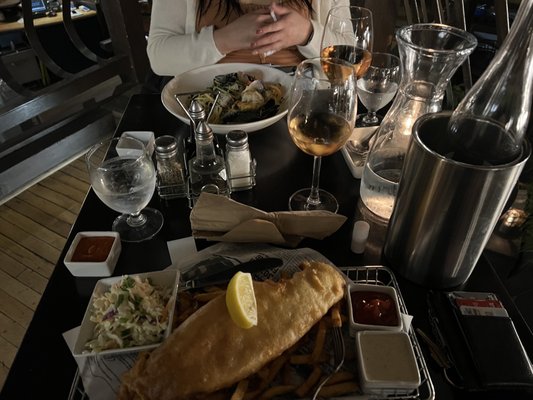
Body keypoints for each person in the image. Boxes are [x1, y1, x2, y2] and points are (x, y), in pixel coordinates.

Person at [147, 0, 349, 77]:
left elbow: (351, 55)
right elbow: (159, 56)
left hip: (301, 106)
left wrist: (308, 33)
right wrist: (223, 40)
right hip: (208, 106)